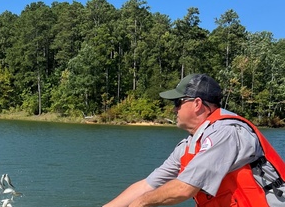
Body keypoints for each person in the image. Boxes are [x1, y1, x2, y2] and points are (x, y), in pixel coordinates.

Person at [103, 73, 285, 207]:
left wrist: (141, 202)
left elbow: (184, 189)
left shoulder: (226, 133)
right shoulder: (188, 146)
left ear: (197, 104)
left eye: (177, 103)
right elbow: (147, 184)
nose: (174, 110)